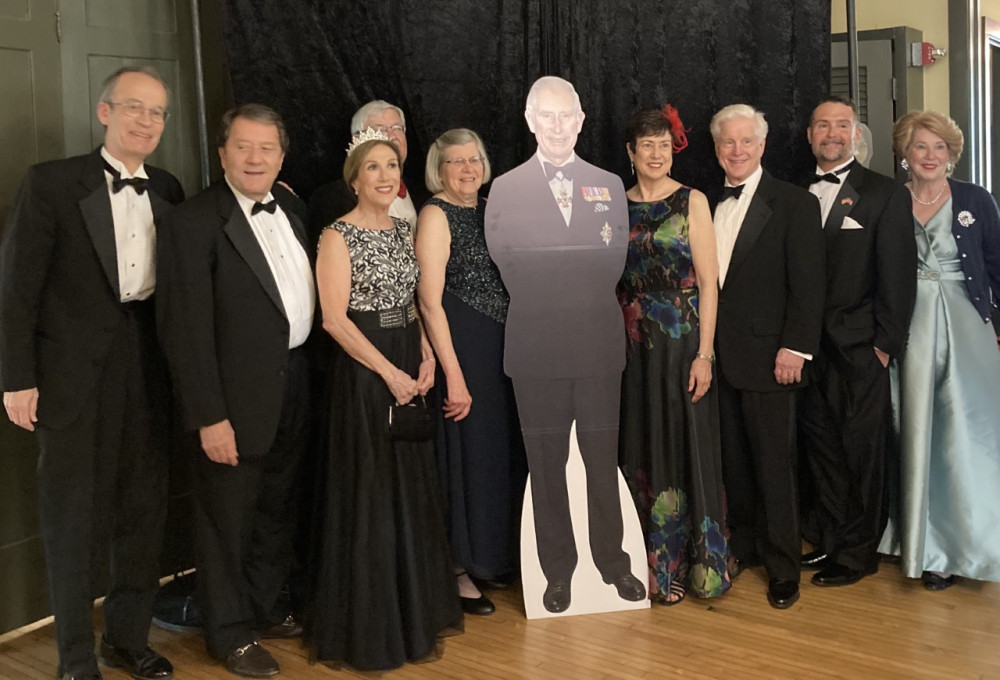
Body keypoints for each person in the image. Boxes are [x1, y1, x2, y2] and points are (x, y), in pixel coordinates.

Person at [0, 66, 182, 680]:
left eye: (157, 112)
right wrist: (15, 377)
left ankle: (127, 640)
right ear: (104, 112)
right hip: (71, 377)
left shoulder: (169, 188)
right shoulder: (50, 183)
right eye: (134, 107)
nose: (146, 121)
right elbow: (16, 291)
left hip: (148, 370)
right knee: (72, 516)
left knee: (142, 511)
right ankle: (76, 656)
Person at [156, 104, 314, 678]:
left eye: (266, 148)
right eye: (243, 147)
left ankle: (266, 608)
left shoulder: (292, 207)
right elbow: (184, 331)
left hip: (294, 384)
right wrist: (208, 417)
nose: (255, 158)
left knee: (276, 509)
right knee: (225, 521)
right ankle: (228, 633)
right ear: (222, 153)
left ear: (281, 155)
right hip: (229, 400)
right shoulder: (191, 221)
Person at [485, 76, 646, 614]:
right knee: (547, 466)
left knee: (602, 463)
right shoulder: (506, 188)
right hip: (536, 350)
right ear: (530, 121)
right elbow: (509, 264)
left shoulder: (606, 184)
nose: (557, 126)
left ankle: (614, 565)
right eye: (546, 116)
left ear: (581, 120)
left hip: (597, 347)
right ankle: (558, 572)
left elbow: (611, 263)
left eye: (566, 115)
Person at [305, 129, 462, 671]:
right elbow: (332, 319)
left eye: (392, 165)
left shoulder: (403, 228)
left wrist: (423, 355)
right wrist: (389, 371)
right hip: (366, 370)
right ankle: (376, 627)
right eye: (373, 167)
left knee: (409, 489)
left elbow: (414, 301)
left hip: (404, 357)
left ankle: (415, 611)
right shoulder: (335, 235)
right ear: (355, 179)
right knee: (371, 492)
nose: (385, 175)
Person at [707, 104, 824, 609]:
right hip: (718, 357)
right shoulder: (706, 200)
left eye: (746, 142)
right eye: (727, 143)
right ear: (717, 149)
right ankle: (750, 549)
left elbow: (809, 284)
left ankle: (783, 568)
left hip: (773, 357)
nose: (737, 151)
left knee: (775, 467)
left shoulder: (795, 203)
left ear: (762, 146)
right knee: (734, 463)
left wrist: (795, 348)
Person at [797, 96, 916, 587]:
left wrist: (884, 346)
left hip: (861, 348)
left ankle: (860, 551)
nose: (831, 133)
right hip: (807, 349)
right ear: (809, 135)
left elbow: (898, 276)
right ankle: (831, 539)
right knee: (822, 452)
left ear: (855, 135)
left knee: (863, 453)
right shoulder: (793, 191)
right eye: (822, 125)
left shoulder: (884, 194)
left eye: (841, 125)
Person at [879, 110, 1000, 590]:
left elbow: (996, 266)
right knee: (913, 432)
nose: (930, 156)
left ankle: (968, 543)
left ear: (951, 154)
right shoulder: (889, 200)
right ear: (904, 154)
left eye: (938, 148)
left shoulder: (976, 199)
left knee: (964, 438)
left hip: (968, 329)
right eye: (920, 147)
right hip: (906, 327)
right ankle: (922, 544)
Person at [616, 105, 730, 605]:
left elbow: (709, 283)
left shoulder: (693, 201)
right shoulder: (614, 206)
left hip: (683, 338)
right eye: (647, 146)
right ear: (631, 153)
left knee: (688, 444)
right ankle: (653, 567)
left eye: (664, 145)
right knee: (641, 445)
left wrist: (705, 353)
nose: (657, 154)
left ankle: (698, 564)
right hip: (629, 344)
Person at [415, 128, 527, 616]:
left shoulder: (490, 209)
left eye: (474, 160)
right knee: (470, 453)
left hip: (504, 343)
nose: (466, 169)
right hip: (464, 346)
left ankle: (493, 558)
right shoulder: (435, 214)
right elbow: (429, 301)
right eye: (455, 162)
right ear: (439, 170)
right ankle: (460, 569)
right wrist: (453, 376)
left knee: (500, 452)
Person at [308, 100, 426, 242]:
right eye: (380, 129)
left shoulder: (422, 191)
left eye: (397, 128)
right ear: (357, 140)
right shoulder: (331, 198)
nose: (391, 136)